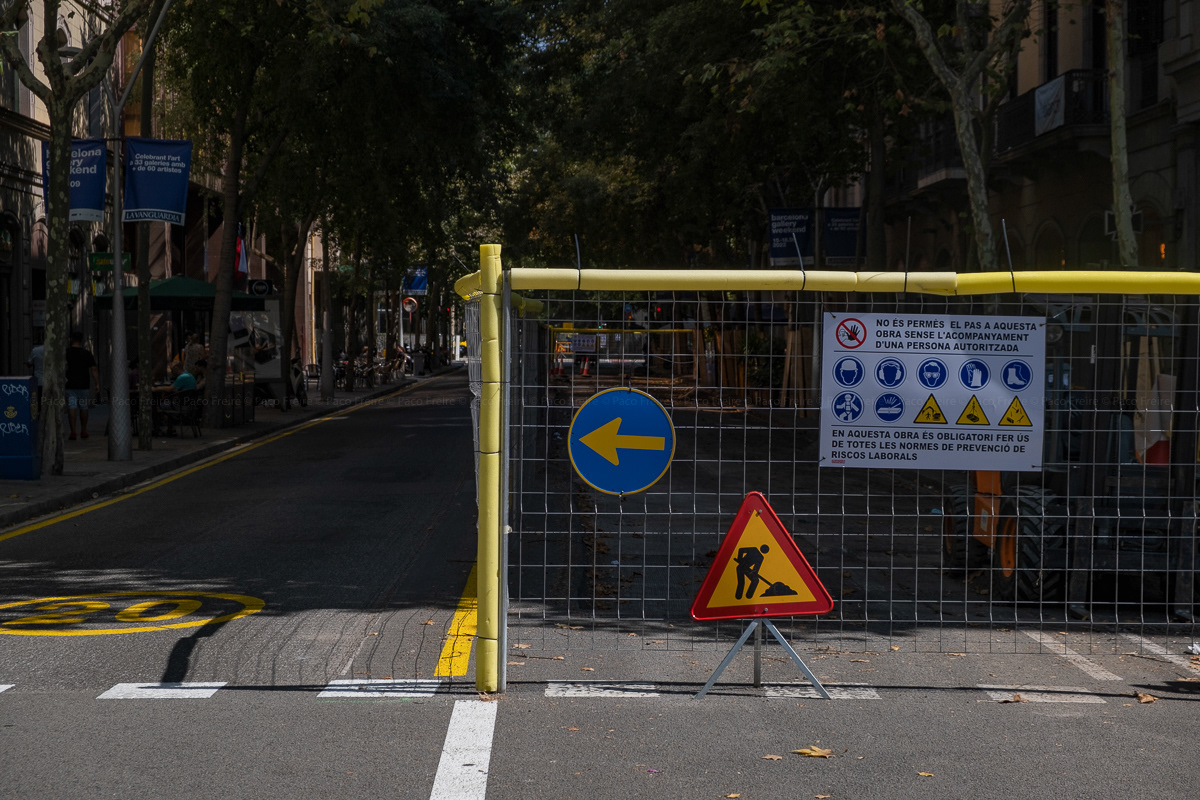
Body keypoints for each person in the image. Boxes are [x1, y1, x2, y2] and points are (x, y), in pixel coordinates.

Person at [65, 331, 100, 441]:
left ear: (71, 339)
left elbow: (63, 367)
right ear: (81, 340)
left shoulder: (66, 353)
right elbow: (93, 369)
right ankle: (84, 430)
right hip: (84, 384)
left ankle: (73, 432)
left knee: (72, 406)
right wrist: (97, 383)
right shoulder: (87, 353)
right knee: (84, 406)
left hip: (70, 384)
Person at [26, 338, 44, 407]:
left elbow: (29, 363)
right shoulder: (54, 350)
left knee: (38, 399)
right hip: (50, 380)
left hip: (39, 379)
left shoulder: (35, 350)